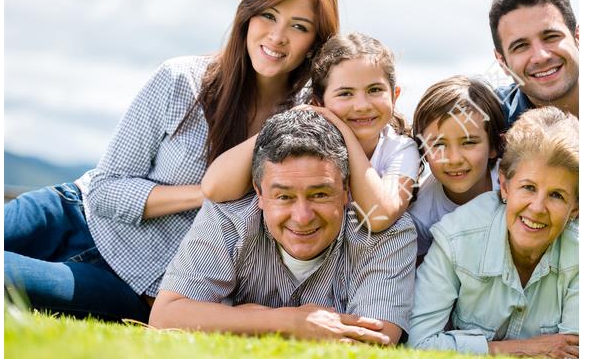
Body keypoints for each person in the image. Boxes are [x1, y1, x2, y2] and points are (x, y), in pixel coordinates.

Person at [4, 0, 340, 323]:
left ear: (314, 44)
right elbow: (104, 191)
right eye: (268, 16)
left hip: (134, 283)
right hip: (73, 215)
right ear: (247, 16)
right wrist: (209, 192)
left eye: (299, 26)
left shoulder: (306, 121)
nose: (276, 36)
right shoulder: (181, 80)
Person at [151, 110, 417, 345]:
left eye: (320, 194)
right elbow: (166, 316)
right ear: (259, 192)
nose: (302, 217)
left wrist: (239, 320)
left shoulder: (387, 235)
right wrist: (289, 322)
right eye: (284, 197)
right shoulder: (229, 216)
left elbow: (373, 342)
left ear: (347, 190)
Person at [202, 32, 419, 233]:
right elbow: (214, 188)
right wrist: (278, 128)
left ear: (394, 94)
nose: (362, 105)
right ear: (319, 102)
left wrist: (344, 130)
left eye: (374, 90)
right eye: (345, 93)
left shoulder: (400, 148)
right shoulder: (304, 140)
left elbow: (380, 217)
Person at [407, 106, 579, 358]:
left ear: (575, 207)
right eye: (528, 187)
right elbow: (419, 346)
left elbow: (575, 351)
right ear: (505, 186)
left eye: (556, 195)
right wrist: (520, 349)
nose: (538, 208)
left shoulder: (580, 255)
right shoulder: (456, 238)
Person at [408, 76, 505, 259]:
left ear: (493, 146)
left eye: (468, 142)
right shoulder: (419, 216)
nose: (453, 159)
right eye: (438, 145)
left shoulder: (514, 184)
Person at [489, 0, 579, 129]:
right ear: (502, 61)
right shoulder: (486, 122)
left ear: (577, 37)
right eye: (521, 46)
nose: (541, 57)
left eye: (551, 37)